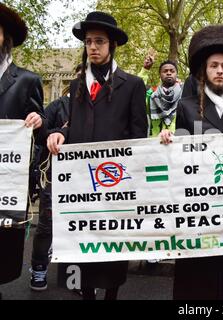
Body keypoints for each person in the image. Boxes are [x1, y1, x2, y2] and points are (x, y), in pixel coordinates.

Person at [47, 11, 148, 300]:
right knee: (82, 243)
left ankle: (111, 295)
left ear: (112, 44)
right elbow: (74, 125)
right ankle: (86, 293)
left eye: (99, 41)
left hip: (114, 181)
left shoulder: (132, 85)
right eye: (89, 42)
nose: (93, 47)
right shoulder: (77, 85)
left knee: (112, 244)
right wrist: (61, 135)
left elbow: (138, 135)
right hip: (80, 182)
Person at [160, 25, 223, 300]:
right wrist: (168, 137)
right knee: (194, 274)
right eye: (214, 65)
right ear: (204, 70)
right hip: (196, 204)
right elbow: (178, 155)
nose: (219, 71)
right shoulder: (187, 106)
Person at [0, 3, 45, 299]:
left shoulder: (27, 80)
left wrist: (38, 122)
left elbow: (41, 133)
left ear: (5, 37)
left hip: (7, 182)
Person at [29, 64, 83, 292]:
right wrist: (57, 133)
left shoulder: (98, 108)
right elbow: (40, 134)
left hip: (84, 177)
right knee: (47, 225)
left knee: (80, 227)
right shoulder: (57, 105)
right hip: (55, 175)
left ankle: (76, 278)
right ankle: (39, 269)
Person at [149, 61, 182, 137]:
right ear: (160, 75)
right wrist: (145, 70)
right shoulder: (151, 95)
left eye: (172, 71)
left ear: (176, 74)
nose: (169, 73)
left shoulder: (184, 94)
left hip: (179, 142)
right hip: (156, 143)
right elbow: (136, 91)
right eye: (165, 71)